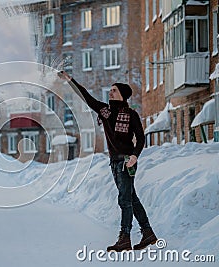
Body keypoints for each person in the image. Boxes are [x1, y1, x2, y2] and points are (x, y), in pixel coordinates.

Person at [58, 71, 158, 252]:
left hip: (127, 161)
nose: (110, 93)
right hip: (114, 162)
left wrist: (135, 156)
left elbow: (141, 138)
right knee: (131, 199)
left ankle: (125, 237)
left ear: (122, 94)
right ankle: (148, 233)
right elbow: (86, 97)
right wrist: (70, 80)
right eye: (110, 90)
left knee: (125, 200)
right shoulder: (105, 111)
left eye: (114, 90)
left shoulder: (131, 114)